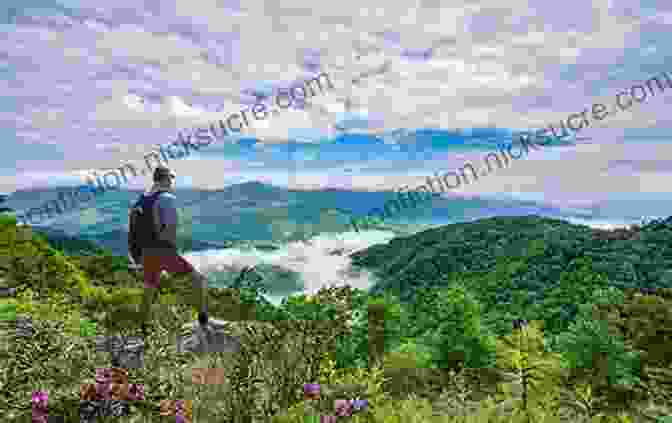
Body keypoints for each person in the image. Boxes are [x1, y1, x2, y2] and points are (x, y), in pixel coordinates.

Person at [128, 165, 209, 338]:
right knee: (198, 280)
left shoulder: (141, 199)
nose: (172, 182)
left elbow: (133, 229)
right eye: (170, 179)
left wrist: (137, 256)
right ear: (165, 179)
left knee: (149, 287)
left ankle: (143, 327)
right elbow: (171, 227)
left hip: (145, 252)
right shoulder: (166, 198)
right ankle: (203, 320)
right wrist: (172, 251)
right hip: (163, 250)